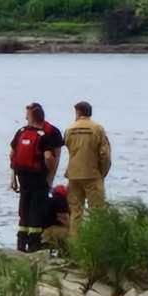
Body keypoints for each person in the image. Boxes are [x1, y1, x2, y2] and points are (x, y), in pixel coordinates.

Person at [9, 103, 63, 252]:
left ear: (32, 117)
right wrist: (50, 170)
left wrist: (13, 177)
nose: (25, 118)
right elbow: (49, 157)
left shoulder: (20, 132)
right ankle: (34, 244)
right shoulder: (43, 136)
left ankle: (21, 243)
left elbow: (12, 155)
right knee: (36, 208)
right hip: (38, 176)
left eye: (27, 116)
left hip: (22, 175)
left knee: (24, 206)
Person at [63, 100, 111, 235]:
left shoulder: (69, 129)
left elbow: (68, 146)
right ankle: (96, 241)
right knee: (97, 212)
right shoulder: (97, 129)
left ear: (78, 112)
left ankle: (75, 244)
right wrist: (103, 172)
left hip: (73, 175)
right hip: (92, 174)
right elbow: (105, 154)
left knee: (75, 212)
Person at [41, 184, 71, 249]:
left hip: (44, 232)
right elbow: (64, 218)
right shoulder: (61, 201)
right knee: (72, 232)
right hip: (56, 231)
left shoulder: (48, 200)